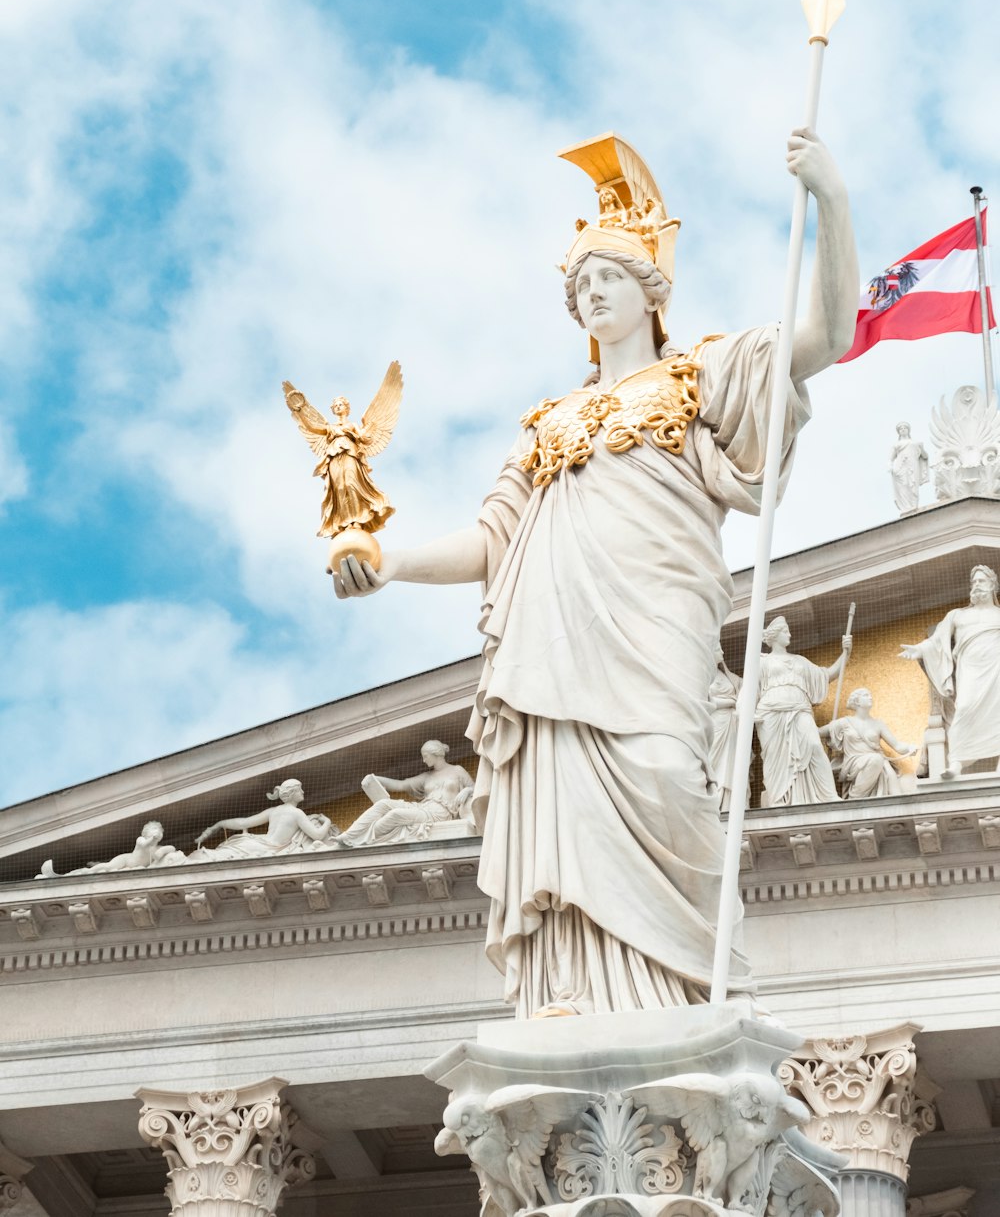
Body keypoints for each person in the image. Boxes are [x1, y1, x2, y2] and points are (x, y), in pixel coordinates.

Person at [334, 127, 857, 1017]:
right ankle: (572, 992)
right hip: (552, 649)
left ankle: (691, 996)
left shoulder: (701, 378)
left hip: (652, 629)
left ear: (652, 291)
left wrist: (832, 201)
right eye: (579, 285)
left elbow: (826, 335)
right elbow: (490, 540)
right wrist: (389, 562)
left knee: (663, 779)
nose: (591, 294)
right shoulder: (547, 424)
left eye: (607, 276)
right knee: (561, 816)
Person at [900, 564, 1000, 777]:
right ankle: (956, 763)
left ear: (993, 585)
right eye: (973, 582)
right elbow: (936, 641)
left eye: (981, 581)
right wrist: (919, 649)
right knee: (963, 709)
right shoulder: (958, 616)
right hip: (971, 671)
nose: (976, 586)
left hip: (996, 669)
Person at [755, 616, 849, 807]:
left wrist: (846, 653)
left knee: (814, 745)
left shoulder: (800, 661)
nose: (789, 634)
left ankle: (827, 795)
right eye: (785, 631)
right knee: (775, 756)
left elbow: (828, 674)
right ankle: (779, 799)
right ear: (774, 636)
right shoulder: (761, 661)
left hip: (800, 709)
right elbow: (749, 691)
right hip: (771, 713)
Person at [336, 739, 474, 848]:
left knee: (395, 814)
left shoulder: (457, 770)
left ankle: (361, 840)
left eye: (425, 756)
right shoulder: (427, 776)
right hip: (423, 808)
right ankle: (349, 835)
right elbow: (400, 784)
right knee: (383, 804)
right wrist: (375, 778)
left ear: (435, 753)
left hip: (438, 814)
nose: (424, 760)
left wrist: (467, 790)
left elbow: (478, 790)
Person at [191, 778, 337, 859]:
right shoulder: (297, 813)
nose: (303, 792)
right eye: (300, 789)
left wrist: (218, 825)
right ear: (293, 793)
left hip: (254, 842)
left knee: (220, 856)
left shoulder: (273, 811)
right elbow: (318, 835)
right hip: (268, 848)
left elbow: (244, 822)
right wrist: (327, 821)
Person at [817, 688, 916, 798]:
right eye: (865, 695)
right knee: (877, 760)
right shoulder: (844, 723)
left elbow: (897, 746)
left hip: (877, 761)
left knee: (887, 772)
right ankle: (855, 798)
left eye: (870, 695)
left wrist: (910, 748)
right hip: (854, 762)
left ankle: (858, 799)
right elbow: (818, 732)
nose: (870, 697)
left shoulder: (878, 724)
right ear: (857, 701)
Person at [37, 820, 187, 878]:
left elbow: (163, 852)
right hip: (127, 861)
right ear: (146, 832)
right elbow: (145, 845)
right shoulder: (141, 840)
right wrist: (152, 839)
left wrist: (166, 848)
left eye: (159, 830)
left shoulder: (159, 848)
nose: (156, 831)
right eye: (153, 829)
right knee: (107, 867)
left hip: (137, 865)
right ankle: (83, 873)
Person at [708, 644, 742, 812]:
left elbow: (742, 686)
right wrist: (731, 702)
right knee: (712, 758)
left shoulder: (725, 674)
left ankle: (726, 803)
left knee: (730, 762)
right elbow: (707, 702)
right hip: (715, 722)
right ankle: (710, 798)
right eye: (718, 649)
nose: (722, 651)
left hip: (730, 723)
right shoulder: (703, 675)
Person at [889, 422, 928, 515]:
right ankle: (905, 507)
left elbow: (925, 456)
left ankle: (912, 506)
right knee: (903, 486)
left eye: (904, 428)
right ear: (898, 432)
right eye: (900, 429)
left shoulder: (916, 443)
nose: (902, 429)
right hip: (899, 467)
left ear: (908, 430)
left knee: (913, 485)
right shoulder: (896, 445)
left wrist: (922, 448)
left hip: (912, 465)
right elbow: (890, 458)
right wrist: (890, 467)